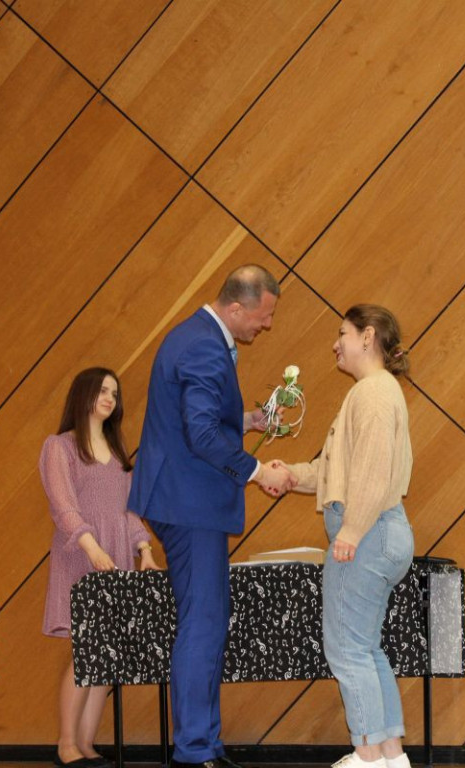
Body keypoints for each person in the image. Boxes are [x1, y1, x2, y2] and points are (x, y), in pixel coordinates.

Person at [128, 264, 294, 768]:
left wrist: (245, 420)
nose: (264, 327)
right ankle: (195, 750)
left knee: (209, 621)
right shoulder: (203, 344)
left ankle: (204, 744)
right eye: (263, 317)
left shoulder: (198, 337)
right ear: (237, 306)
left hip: (185, 499)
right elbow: (199, 436)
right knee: (202, 624)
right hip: (190, 503)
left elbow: (196, 421)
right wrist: (256, 468)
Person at [275, 304, 414, 768]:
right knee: (365, 648)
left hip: (368, 530)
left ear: (367, 336)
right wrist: (290, 474)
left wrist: (350, 532)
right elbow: (337, 471)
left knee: (346, 648)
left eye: (342, 333)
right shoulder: (374, 392)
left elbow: (372, 472)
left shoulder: (373, 392)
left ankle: (367, 755)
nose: (335, 343)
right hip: (383, 530)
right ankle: (390, 757)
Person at [39, 367, 160, 768]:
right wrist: (91, 548)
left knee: (104, 657)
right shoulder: (60, 447)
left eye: (114, 392)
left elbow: (127, 513)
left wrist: (143, 550)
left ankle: (87, 746)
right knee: (85, 652)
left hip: (116, 563)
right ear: (84, 394)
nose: (110, 397)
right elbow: (64, 506)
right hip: (81, 558)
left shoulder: (117, 458)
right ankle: (66, 745)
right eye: (103, 390)